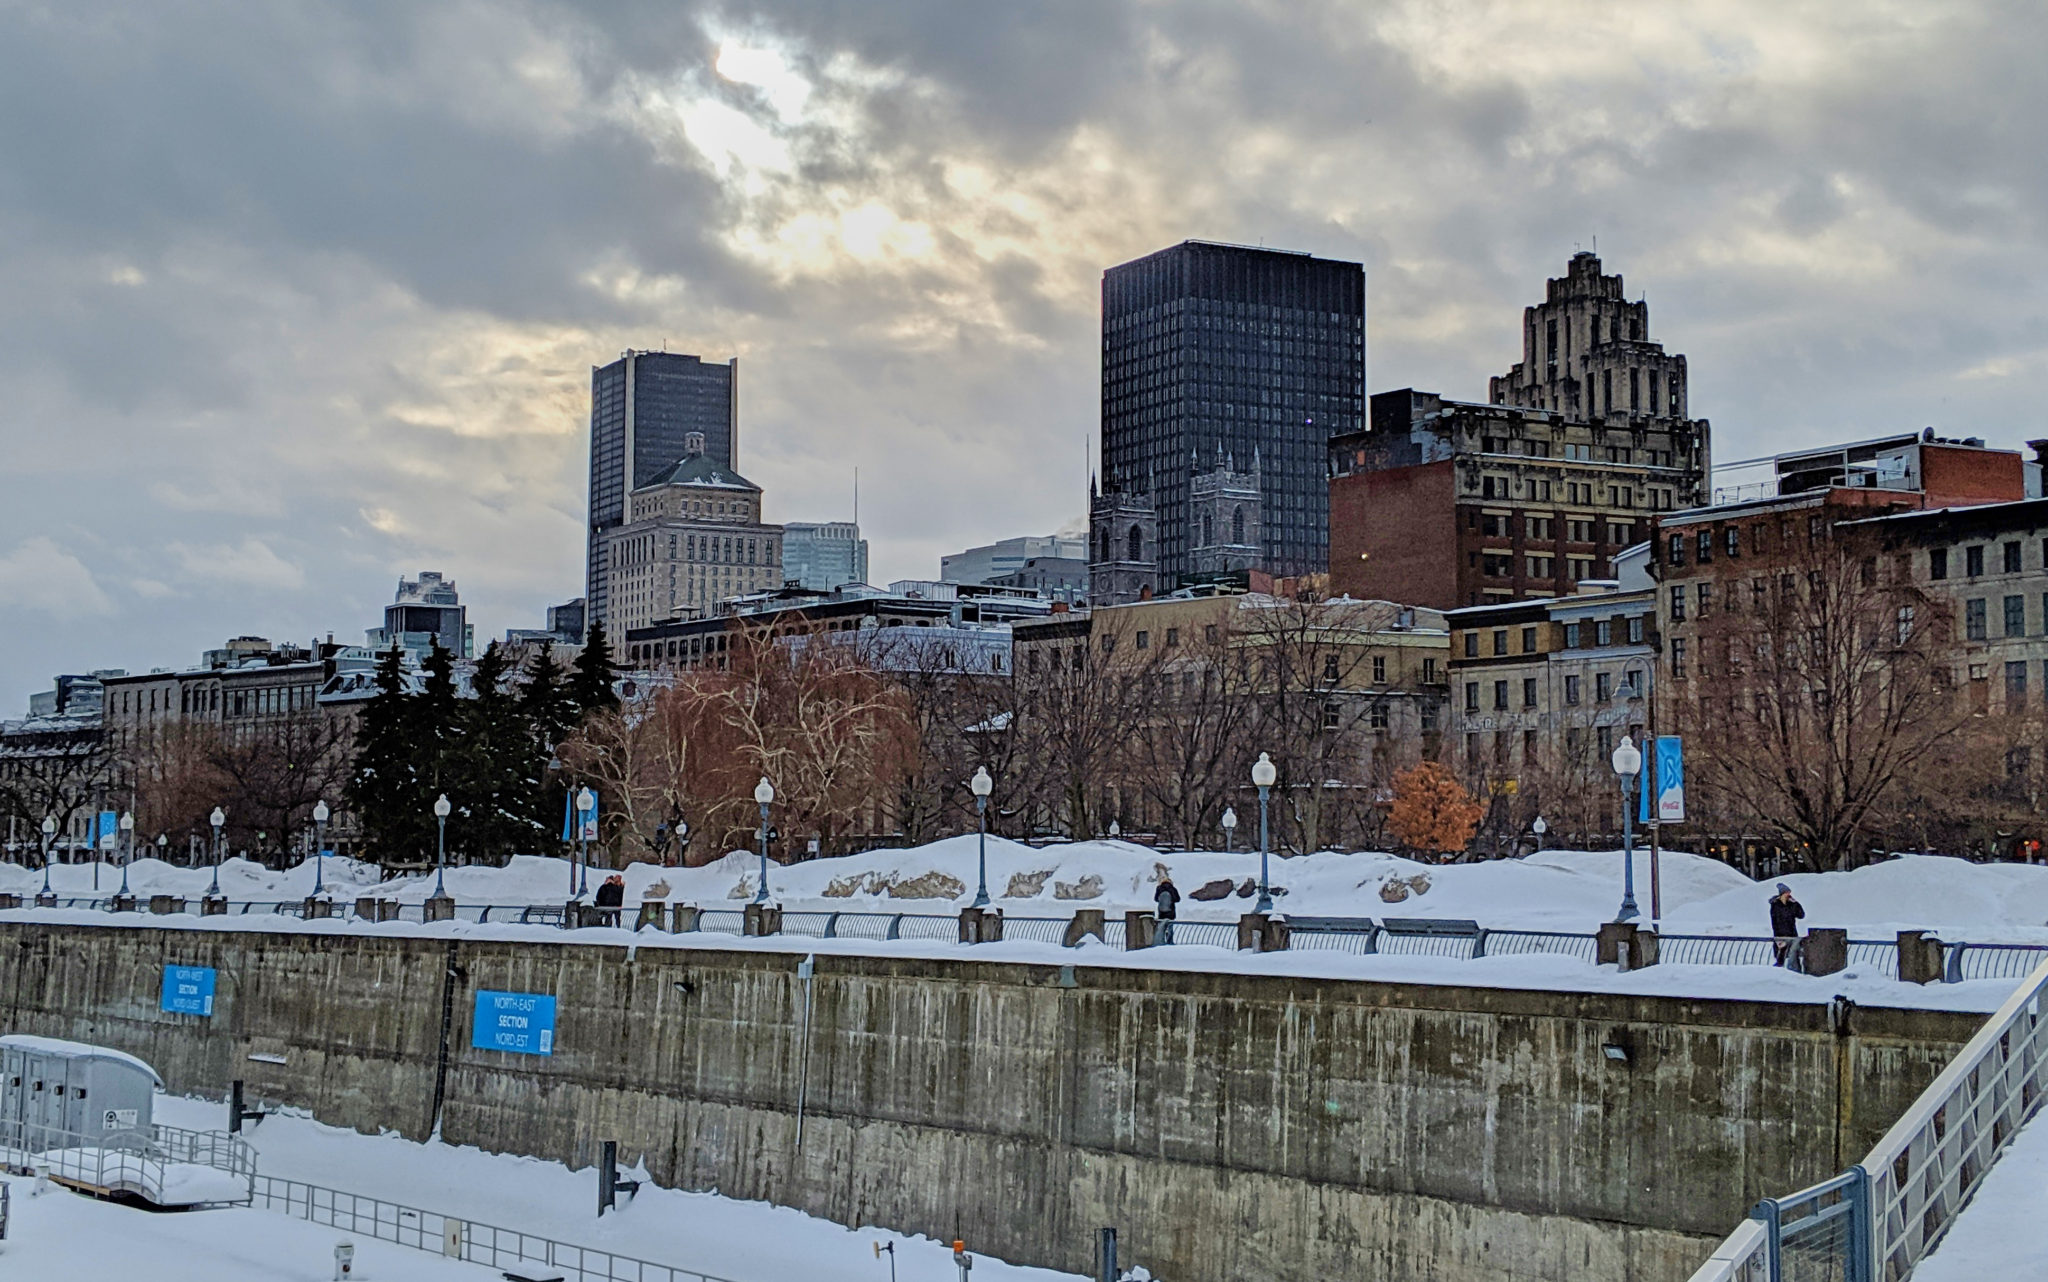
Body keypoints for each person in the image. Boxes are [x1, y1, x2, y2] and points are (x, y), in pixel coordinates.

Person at [1770, 883, 1805, 967]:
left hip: (1792, 934)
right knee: (1781, 955)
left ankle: (1794, 969)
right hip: (1780, 935)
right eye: (1787, 893)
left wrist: (1796, 904)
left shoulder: (1792, 904)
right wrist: (1777, 936)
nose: (1789, 895)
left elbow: (1801, 915)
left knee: (1793, 954)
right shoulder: (1775, 905)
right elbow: (1774, 921)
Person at [1154, 875, 1180, 945]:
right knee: (1170, 927)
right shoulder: (1173, 889)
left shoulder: (1159, 888)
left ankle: (1161, 941)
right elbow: (1177, 899)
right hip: (1170, 911)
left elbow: (1156, 899)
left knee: (1161, 927)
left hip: (1161, 912)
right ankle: (1170, 941)